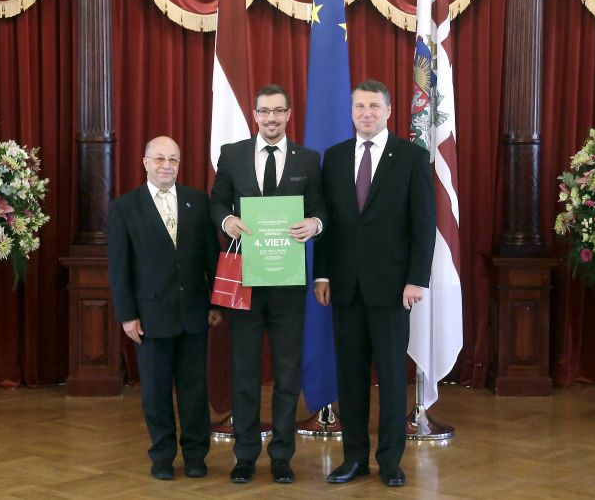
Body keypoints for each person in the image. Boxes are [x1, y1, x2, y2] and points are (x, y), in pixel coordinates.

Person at [314, 80, 435, 488]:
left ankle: (390, 461)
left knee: (392, 377)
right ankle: (354, 458)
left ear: (388, 110)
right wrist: (323, 274)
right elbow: (327, 223)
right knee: (350, 378)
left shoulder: (412, 157)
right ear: (351, 112)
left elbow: (424, 224)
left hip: (393, 288)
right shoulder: (333, 157)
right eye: (360, 106)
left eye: (374, 106)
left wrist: (416, 279)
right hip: (344, 287)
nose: (366, 113)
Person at [210, 84, 325, 484]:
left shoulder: (308, 160)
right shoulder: (232, 155)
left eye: (278, 111)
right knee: (243, 371)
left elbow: (321, 209)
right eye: (264, 111)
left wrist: (315, 224)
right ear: (255, 115)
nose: (271, 118)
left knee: (287, 374)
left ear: (289, 115)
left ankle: (281, 456)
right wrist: (227, 220)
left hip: (288, 284)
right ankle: (244, 455)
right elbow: (216, 202)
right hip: (245, 282)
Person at [108, 136, 222, 481]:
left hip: (195, 314)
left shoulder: (197, 202)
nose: (166, 165)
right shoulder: (125, 207)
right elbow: (119, 267)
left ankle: (196, 455)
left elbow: (211, 257)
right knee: (156, 393)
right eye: (159, 158)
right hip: (150, 317)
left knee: (194, 391)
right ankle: (162, 456)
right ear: (145, 163)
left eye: (173, 159)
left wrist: (216, 303)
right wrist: (127, 315)